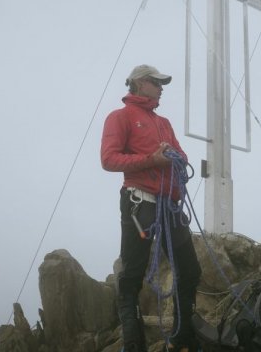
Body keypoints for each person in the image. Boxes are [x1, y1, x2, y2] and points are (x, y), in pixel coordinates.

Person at [101, 64, 201, 352]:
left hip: (169, 206)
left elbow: (181, 154)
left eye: (161, 84)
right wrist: (152, 160)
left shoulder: (164, 123)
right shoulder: (119, 117)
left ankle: (183, 338)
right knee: (132, 276)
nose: (161, 88)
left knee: (190, 269)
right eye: (157, 83)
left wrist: (175, 157)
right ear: (140, 83)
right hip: (139, 203)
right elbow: (108, 159)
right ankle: (134, 346)